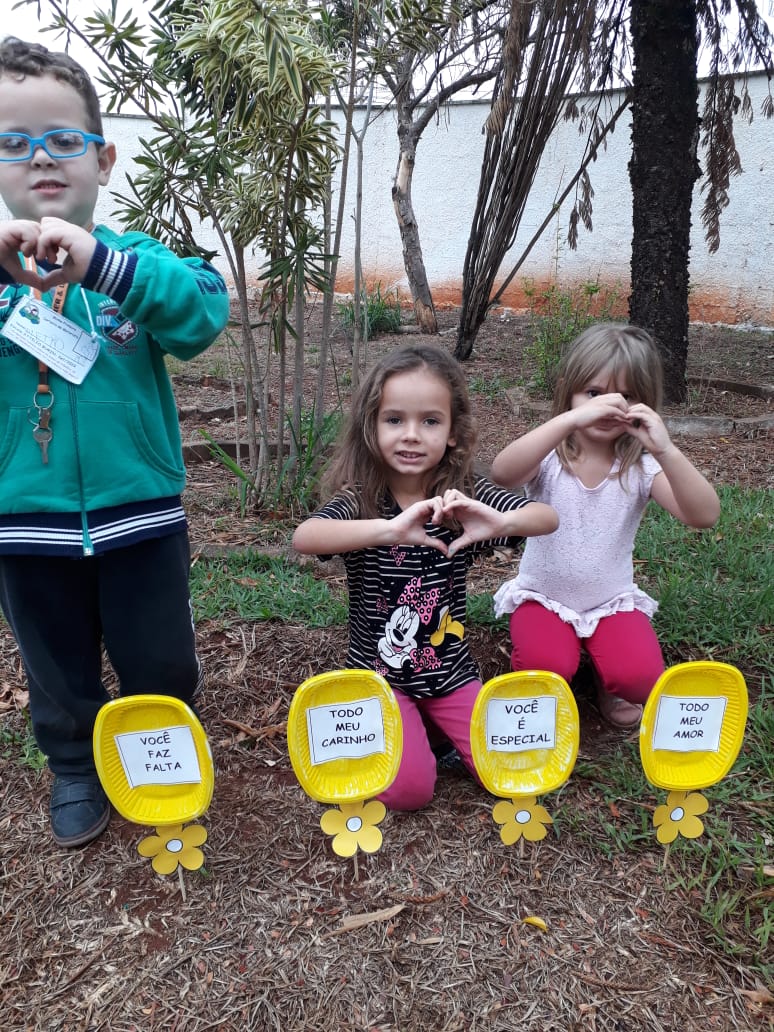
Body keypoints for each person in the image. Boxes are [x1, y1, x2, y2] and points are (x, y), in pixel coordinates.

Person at [0, 38, 230, 846]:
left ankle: (160, 746)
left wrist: (102, 265)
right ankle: (74, 763)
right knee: (54, 663)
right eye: (14, 142)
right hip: (24, 523)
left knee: (158, 654)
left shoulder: (136, 262)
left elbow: (201, 315)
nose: (41, 158)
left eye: (63, 139)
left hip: (141, 515)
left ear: (102, 159)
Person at [292, 344, 558, 810]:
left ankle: (432, 728)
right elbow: (306, 536)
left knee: (514, 775)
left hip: (450, 672)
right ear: (371, 427)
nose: (412, 435)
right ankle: (398, 728)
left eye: (431, 421)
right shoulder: (362, 499)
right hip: (380, 676)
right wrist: (388, 530)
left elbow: (545, 518)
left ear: (453, 432)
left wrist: (500, 522)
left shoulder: (463, 497)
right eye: (394, 419)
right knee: (409, 792)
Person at [491, 323, 720, 729]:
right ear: (569, 392)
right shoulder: (550, 456)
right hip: (544, 598)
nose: (607, 406)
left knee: (640, 680)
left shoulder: (641, 467)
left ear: (645, 404)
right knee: (544, 670)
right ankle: (556, 662)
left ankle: (609, 679)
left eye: (627, 396)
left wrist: (665, 449)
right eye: (593, 393)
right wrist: (568, 421)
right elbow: (502, 473)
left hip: (609, 602)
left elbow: (703, 515)